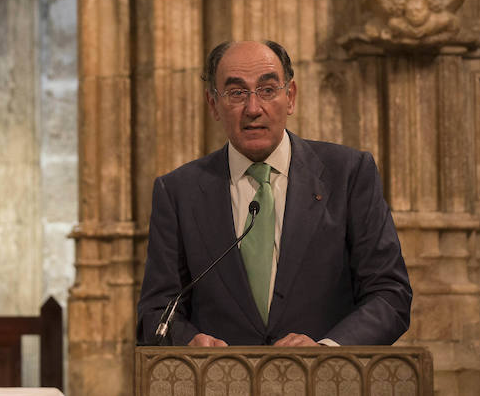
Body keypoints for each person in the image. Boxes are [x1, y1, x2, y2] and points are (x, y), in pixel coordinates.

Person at [136, 40, 411, 346]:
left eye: (267, 90)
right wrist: (189, 341)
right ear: (213, 104)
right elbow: (155, 312)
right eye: (237, 93)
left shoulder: (348, 174)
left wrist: (328, 351)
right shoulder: (178, 192)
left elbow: (390, 295)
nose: (253, 109)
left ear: (290, 97)